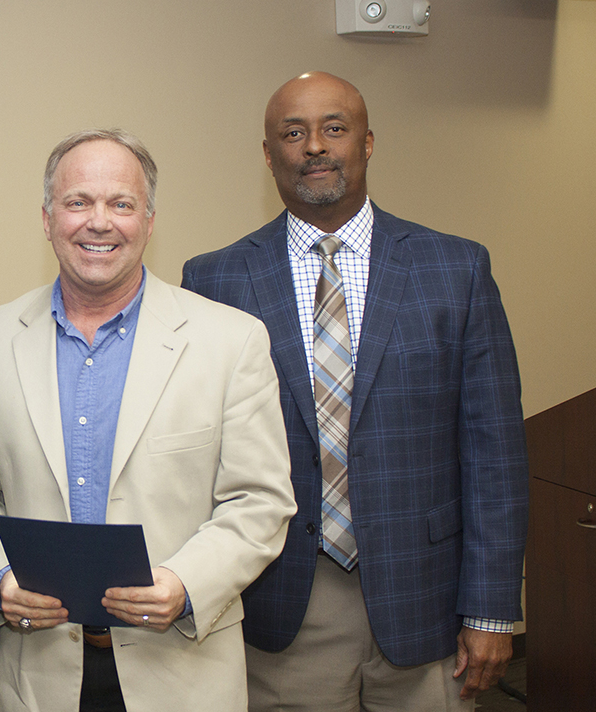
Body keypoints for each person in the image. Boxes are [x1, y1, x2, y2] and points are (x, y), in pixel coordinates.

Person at [182, 71, 529, 711]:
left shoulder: (456, 269)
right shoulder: (215, 279)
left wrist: (491, 609)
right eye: (293, 133)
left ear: (367, 143)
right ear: (268, 155)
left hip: (430, 603)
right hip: (281, 606)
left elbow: (495, 454)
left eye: (333, 129)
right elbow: (199, 455)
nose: (314, 146)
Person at [0, 128, 296, 711]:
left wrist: (187, 585)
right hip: (40, 673)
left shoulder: (230, 341)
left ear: (149, 219)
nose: (99, 222)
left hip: (182, 672)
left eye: (121, 204)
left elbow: (260, 500)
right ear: (46, 218)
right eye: (78, 202)